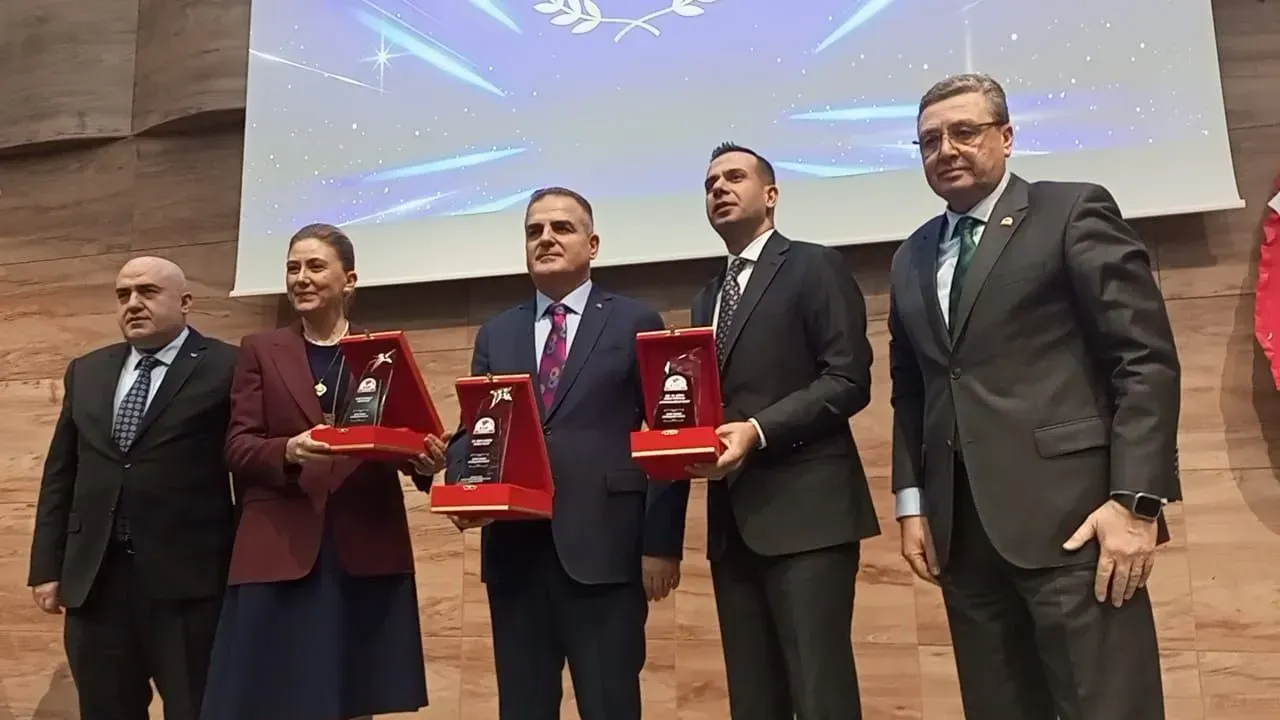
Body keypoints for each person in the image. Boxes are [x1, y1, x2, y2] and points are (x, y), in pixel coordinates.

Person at [888, 73, 1181, 720]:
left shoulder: (1071, 211)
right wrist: (913, 503)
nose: (946, 150)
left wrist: (1136, 502)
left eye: (965, 132)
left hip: (1079, 527)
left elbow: (1143, 361)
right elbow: (912, 389)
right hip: (963, 538)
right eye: (930, 140)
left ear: (1007, 136)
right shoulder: (910, 257)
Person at [442, 187, 689, 720]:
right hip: (515, 558)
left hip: (607, 553)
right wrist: (461, 483)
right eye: (534, 231)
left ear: (592, 245)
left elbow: (670, 435)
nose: (546, 239)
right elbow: (474, 428)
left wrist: (661, 542)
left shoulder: (635, 321)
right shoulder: (497, 333)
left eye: (561, 228)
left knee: (610, 706)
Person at [200, 223, 449, 720]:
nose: (301, 278)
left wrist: (426, 461)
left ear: (349, 280)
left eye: (315, 266)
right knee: (271, 700)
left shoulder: (383, 352)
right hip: (279, 547)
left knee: (352, 697)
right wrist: (289, 450)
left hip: (362, 547)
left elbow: (408, 440)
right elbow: (238, 447)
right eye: (293, 268)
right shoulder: (259, 350)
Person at [686, 143, 880, 720]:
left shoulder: (814, 265)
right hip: (732, 526)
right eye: (710, 183)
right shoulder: (706, 298)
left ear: (770, 195)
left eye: (734, 177)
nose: (719, 189)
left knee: (820, 695)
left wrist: (758, 430)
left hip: (809, 519)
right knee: (753, 701)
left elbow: (848, 379)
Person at [27, 256, 238, 720]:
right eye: (123, 295)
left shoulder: (227, 366)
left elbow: (245, 471)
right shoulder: (87, 370)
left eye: (148, 292)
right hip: (96, 582)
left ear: (185, 302)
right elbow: (61, 473)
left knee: (196, 709)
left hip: (188, 584)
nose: (133, 304)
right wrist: (47, 566)